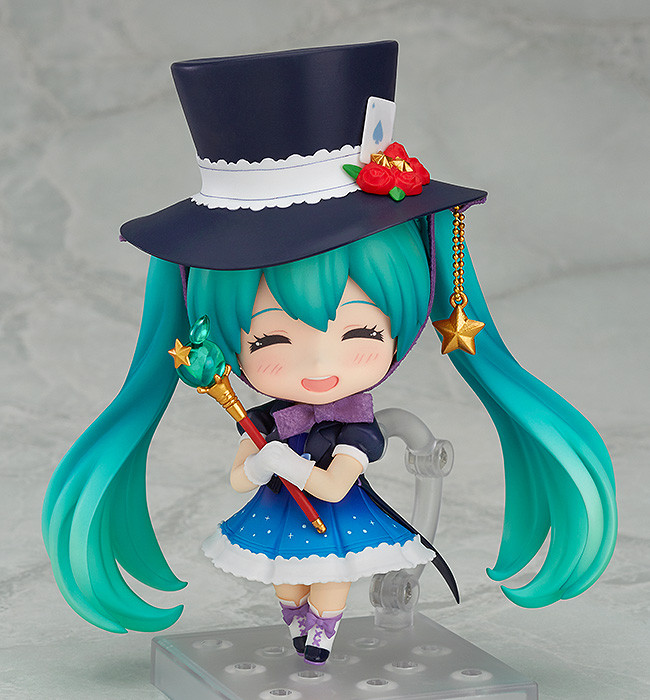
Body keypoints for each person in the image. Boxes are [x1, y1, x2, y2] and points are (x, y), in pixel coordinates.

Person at [42, 42, 617, 665]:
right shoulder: (269, 418)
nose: (319, 367)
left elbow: (335, 483)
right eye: (270, 340)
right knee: (288, 584)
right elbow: (237, 475)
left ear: (404, 322)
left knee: (330, 578)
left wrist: (283, 465)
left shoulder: (354, 426)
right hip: (283, 516)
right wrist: (258, 467)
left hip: (337, 518)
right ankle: (298, 625)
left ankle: (319, 635)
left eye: (361, 334)